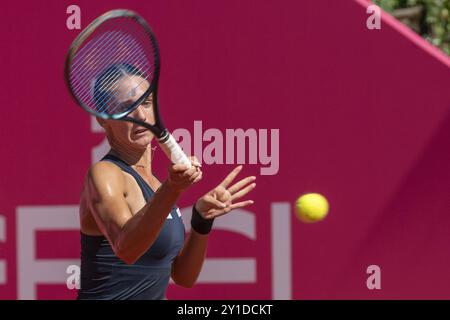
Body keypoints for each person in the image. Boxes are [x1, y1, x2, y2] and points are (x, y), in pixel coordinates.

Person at [77, 64, 256, 299]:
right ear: (103, 120)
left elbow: (183, 277)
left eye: (146, 103)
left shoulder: (155, 184)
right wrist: (172, 188)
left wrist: (201, 221)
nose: (141, 116)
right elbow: (126, 248)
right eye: (126, 109)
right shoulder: (104, 175)